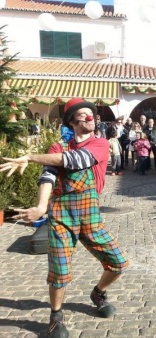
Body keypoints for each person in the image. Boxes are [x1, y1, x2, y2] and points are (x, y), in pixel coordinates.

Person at [0, 98, 129, 338]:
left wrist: (29, 157)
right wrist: (40, 206)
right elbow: (47, 177)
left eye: (92, 115)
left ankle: (98, 293)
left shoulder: (99, 144)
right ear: (71, 120)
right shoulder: (57, 148)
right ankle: (56, 315)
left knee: (118, 262)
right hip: (61, 215)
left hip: (90, 215)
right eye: (83, 114)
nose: (90, 118)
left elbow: (76, 161)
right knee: (59, 271)